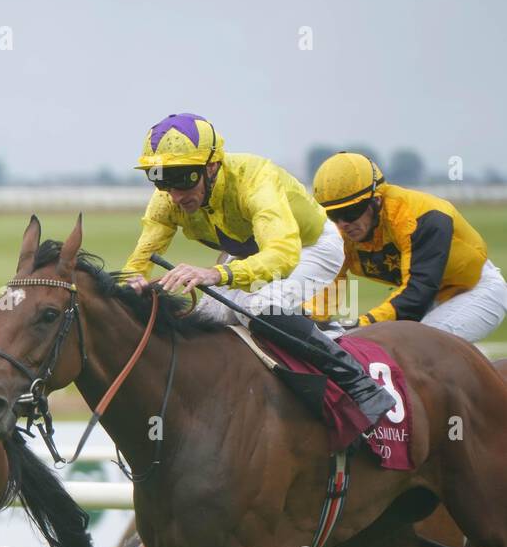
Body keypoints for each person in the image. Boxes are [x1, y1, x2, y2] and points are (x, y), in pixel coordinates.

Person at [120, 112, 393, 425]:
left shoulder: (255, 180)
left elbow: (282, 255)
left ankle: (359, 383)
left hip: (308, 247)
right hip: (252, 253)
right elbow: (140, 260)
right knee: (206, 319)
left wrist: (216, 274)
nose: (175, 194)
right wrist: (130, 286)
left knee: (259, 307)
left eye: (184, 178)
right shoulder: (167, 200)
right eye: (161, 179)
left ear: (211, 166)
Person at [312, 151, 507, 342]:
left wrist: (362, 324)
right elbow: (326, 287)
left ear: (376, 200)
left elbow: (418, 293)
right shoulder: (337, 233)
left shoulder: (421, 217)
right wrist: (310, 322)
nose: (342, 223)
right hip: (430, 299)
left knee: (417, 350)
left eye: (350, 211)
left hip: (475, 290)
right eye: (333, 215)